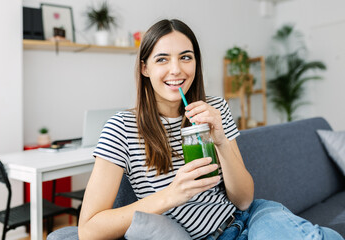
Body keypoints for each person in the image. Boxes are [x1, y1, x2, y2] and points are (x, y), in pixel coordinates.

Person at [78, 19, 343, 240]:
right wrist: (173, 194)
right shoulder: (121, 129)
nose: (176, 69)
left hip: (250, 219)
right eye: (162, 59)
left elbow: (243, 200)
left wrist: (221, 141)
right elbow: (88, 229)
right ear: (144, 68)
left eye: (185, 57)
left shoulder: (214, 109)